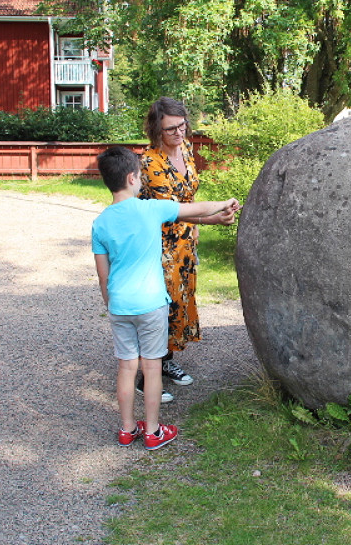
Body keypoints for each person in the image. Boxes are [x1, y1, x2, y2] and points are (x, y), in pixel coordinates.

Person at [92, 145, 239, 449]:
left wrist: (110, 302)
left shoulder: (100, 223)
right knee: (152, 366)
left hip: (119, 306)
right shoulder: (150, 208)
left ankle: (127, 428)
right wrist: (225, 203)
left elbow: (102, 274)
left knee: (126, 367)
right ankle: (153, 431)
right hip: (150, 304)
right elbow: (195, 209)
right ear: (134, 178)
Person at [138, 97, 237, 398]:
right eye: (171, 129)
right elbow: (173, 209)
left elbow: (188, 202)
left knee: (178, 305)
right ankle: (144, 376)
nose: (179, 133)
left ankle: (165, 362)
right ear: (156, 130)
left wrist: (209, 222)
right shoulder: (149, 163)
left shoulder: (187, 151)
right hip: (158, 246)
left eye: (182, 126)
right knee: (159, 308)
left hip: (184, 244)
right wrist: (213, 215)